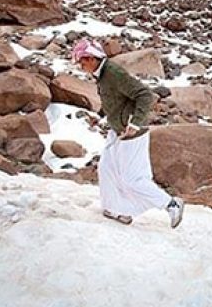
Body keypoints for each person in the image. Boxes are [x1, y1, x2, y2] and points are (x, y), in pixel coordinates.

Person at [71, 38, 184, 228]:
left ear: (91, 58)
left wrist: (135, 123)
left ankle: (171, 204)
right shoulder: (101, 74)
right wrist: (100, 115)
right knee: (106, 169)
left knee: (133, 179)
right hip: (117, 129)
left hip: (131, 132)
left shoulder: (113, 73)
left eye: (81, 62)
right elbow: (115, 99)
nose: (80, 66)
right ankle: (115, 209)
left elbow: (145, 95)